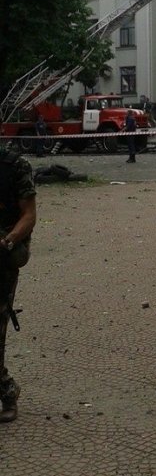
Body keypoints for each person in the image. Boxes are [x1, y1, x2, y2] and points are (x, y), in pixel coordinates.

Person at [0, 144, 37, 423]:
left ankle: (7, 392)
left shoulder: (15, 166)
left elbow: (29, 215)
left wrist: (9, 240)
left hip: (3, 257)